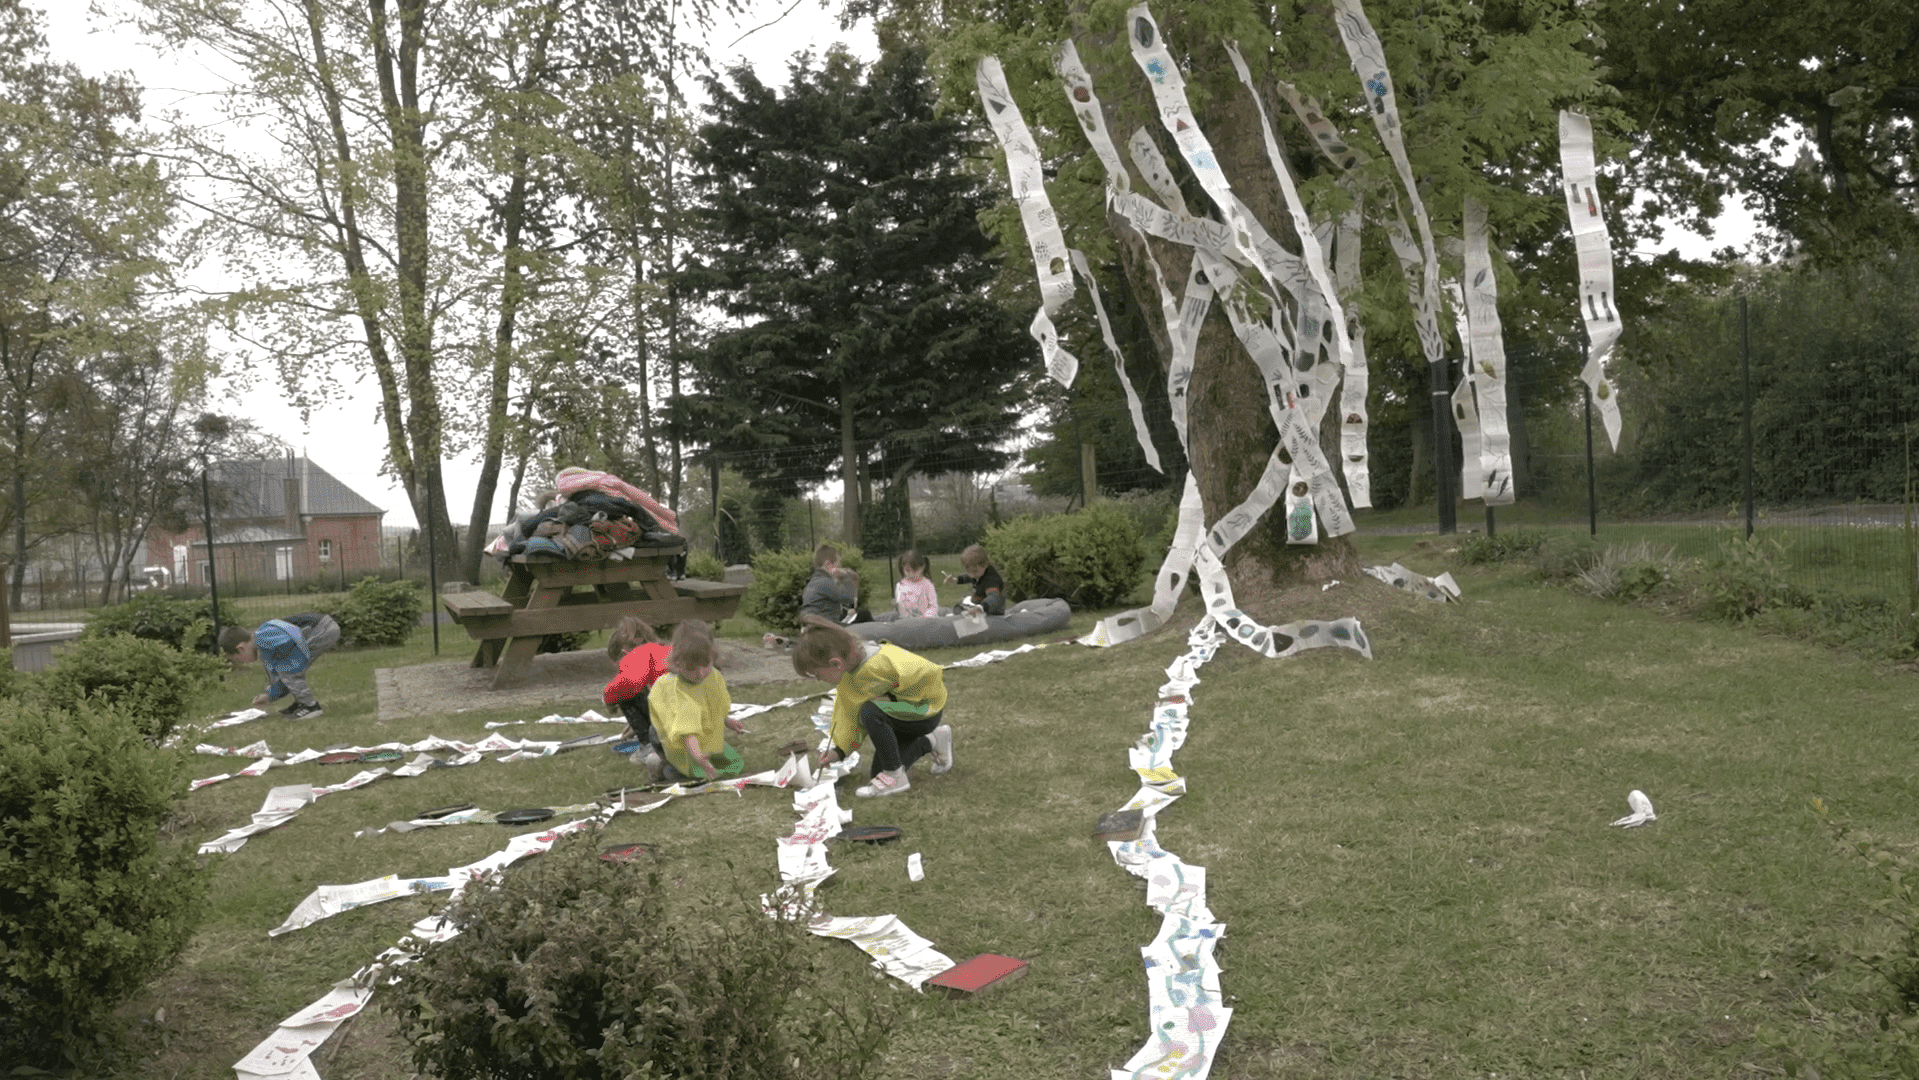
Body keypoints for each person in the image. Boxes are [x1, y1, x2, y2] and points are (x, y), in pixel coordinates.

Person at [792, 622, 953, 798]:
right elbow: (848, 717)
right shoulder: (847, 679)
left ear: (836, 663)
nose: (819, 680)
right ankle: (933, 740)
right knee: (877, 774)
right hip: (898, 720)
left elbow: (929, 675)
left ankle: (894, 775)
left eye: (818, 675)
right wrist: (838, 751)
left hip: (923, 714)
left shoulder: (884, 660)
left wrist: (894, 698)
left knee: (870, 710)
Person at [637, 620, 746, 784]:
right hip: (672, 738)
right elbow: (686, 730)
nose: (701, 673)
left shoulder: (712, 677)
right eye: (692, 668)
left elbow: (713, 704)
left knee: (732, 766)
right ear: (678, 663)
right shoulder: (676, 689)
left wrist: (726, 720)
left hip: (698, 736)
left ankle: (683, 762)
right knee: (692, 775)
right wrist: (698, 756)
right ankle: (660, 765)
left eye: (706, 665)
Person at [219, 613, 341, 720]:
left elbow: (291, 644)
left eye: (237, 659)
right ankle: (301, 703)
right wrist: (269, 695)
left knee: (289, 671)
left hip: (323, 628)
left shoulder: (263, 636)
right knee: (288, 670)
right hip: (321, 628)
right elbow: (280, 674)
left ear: (241, 648)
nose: (240, 662)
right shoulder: (264, 644)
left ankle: (311, 707)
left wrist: (288, 667)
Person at [602, 616, 670, 753]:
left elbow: (629, 682)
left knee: (624, 694)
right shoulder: (666, 650)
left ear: (624, 653)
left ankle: (649, 746)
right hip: (695, 720)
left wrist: (608, 699)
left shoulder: (638, 654)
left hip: (671, 723)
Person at [799, 544, 871, 629]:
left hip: (815, 626)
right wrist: (846, 577)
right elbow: (849, 600)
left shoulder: (814, 581)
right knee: (865, 615)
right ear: (829, 564)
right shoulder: (825, 582)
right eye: (837, 563)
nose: (839, 567)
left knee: (861, 615)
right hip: (826, 630)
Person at [943, 544, 1005, 616]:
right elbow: (969, 577)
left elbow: (993, 597)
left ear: (986, 564)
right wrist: (956, 579)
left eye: (974, 571)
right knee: (959, 606)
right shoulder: (979, 573)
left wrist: (980, 608)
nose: (972, 575)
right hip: (978, 604)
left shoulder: (992, 580)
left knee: (962, 610)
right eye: (968, 571)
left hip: (991, 611)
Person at [893, 549, 939, 619]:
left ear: (922, 567)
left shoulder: (927, 585)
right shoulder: (900, 585)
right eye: (908, 570)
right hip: (906, 624)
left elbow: (933, 607)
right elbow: (899, 607)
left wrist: (925, 618)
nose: (911, 574)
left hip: (925, 623)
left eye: (915, 570)